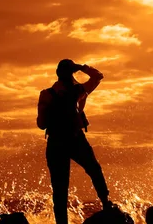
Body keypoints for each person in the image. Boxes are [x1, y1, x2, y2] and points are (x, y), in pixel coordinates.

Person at [37, 59, 112, 224]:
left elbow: (41, 124)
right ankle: (106, 204)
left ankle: (61, 223)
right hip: (76, 139)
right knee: (94, 169)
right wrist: (81, 67)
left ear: (57, 73)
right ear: (72, 73)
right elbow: (98, 76)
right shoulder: (79, 90)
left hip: (56, 142)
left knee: (59, 188)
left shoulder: (47, 94)